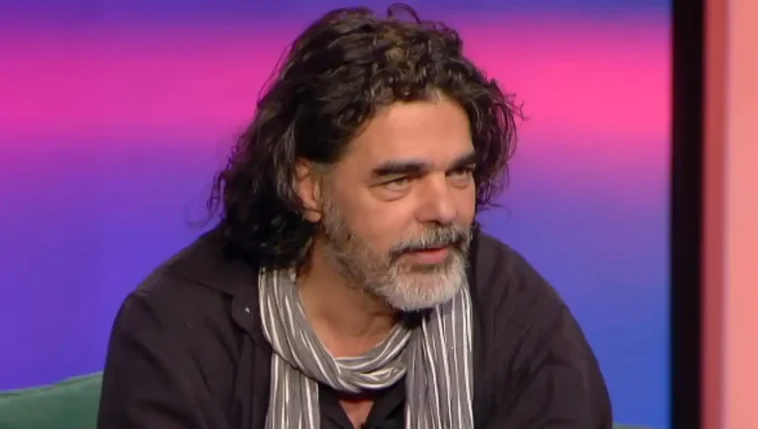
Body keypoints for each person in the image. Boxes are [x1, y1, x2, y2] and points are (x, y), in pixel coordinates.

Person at [97, 4, 612, 429]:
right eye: (399, 180)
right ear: (309, 189)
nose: (445, 210)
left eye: (459, 173)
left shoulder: (513, 313)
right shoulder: (179, 330)